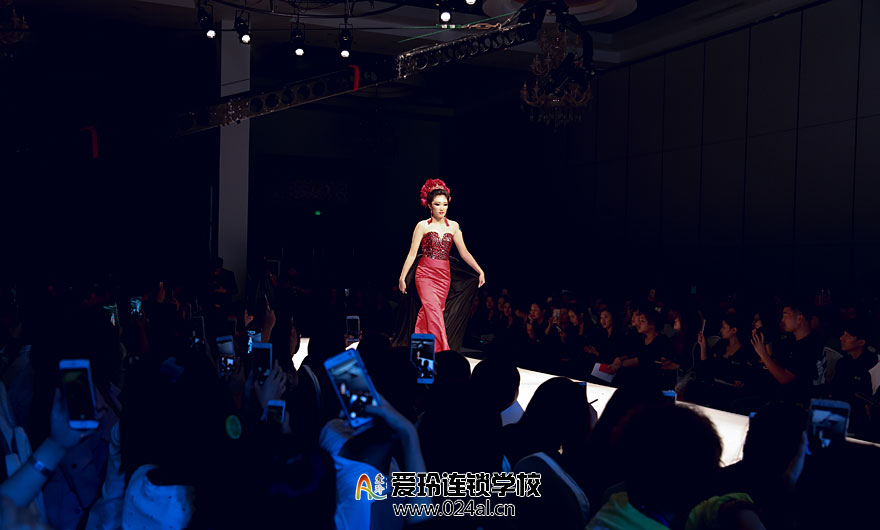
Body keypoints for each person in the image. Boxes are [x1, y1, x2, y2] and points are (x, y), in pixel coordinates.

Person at [398, 179, 485, 352]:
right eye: (437, 204)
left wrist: (480, 270)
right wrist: (402, 277)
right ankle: (444, 351)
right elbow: (412, 254)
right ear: (429, 205)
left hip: (444, 276)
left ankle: (421, 355)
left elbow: (464, 252)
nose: (442, 208)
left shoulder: (454, 226)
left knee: (427, 313)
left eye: (445, 204)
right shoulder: (422, 226)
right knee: (433, 312)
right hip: (424, 274)